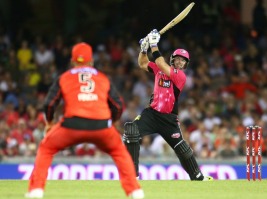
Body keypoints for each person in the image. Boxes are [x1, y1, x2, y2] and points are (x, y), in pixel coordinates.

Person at [25, 42, 144, 199]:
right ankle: (134, 191)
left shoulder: (64, 77)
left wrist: (49, 122)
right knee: (120, 152)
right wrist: (113, 122)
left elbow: (50, 103)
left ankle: (36, 190)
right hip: (101, 126)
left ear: (73, 61)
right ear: (92, 61)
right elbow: (118, 105)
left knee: (46, 148)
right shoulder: (102, 78)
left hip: (72, 125)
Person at [123, 29, 213, 181]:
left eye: (183, 60)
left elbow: (159, 61)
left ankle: (197, 177)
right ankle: (132, 176)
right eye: (177, 59)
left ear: (185, 65)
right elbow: (142, 63)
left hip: (169, 119)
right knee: (131, 132)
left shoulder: (181, 76)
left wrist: (153, 44)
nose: (180, 62)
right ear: (172, 59)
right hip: (152, 114)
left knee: (182, 149)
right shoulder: (160, 69)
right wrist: (144, 49)